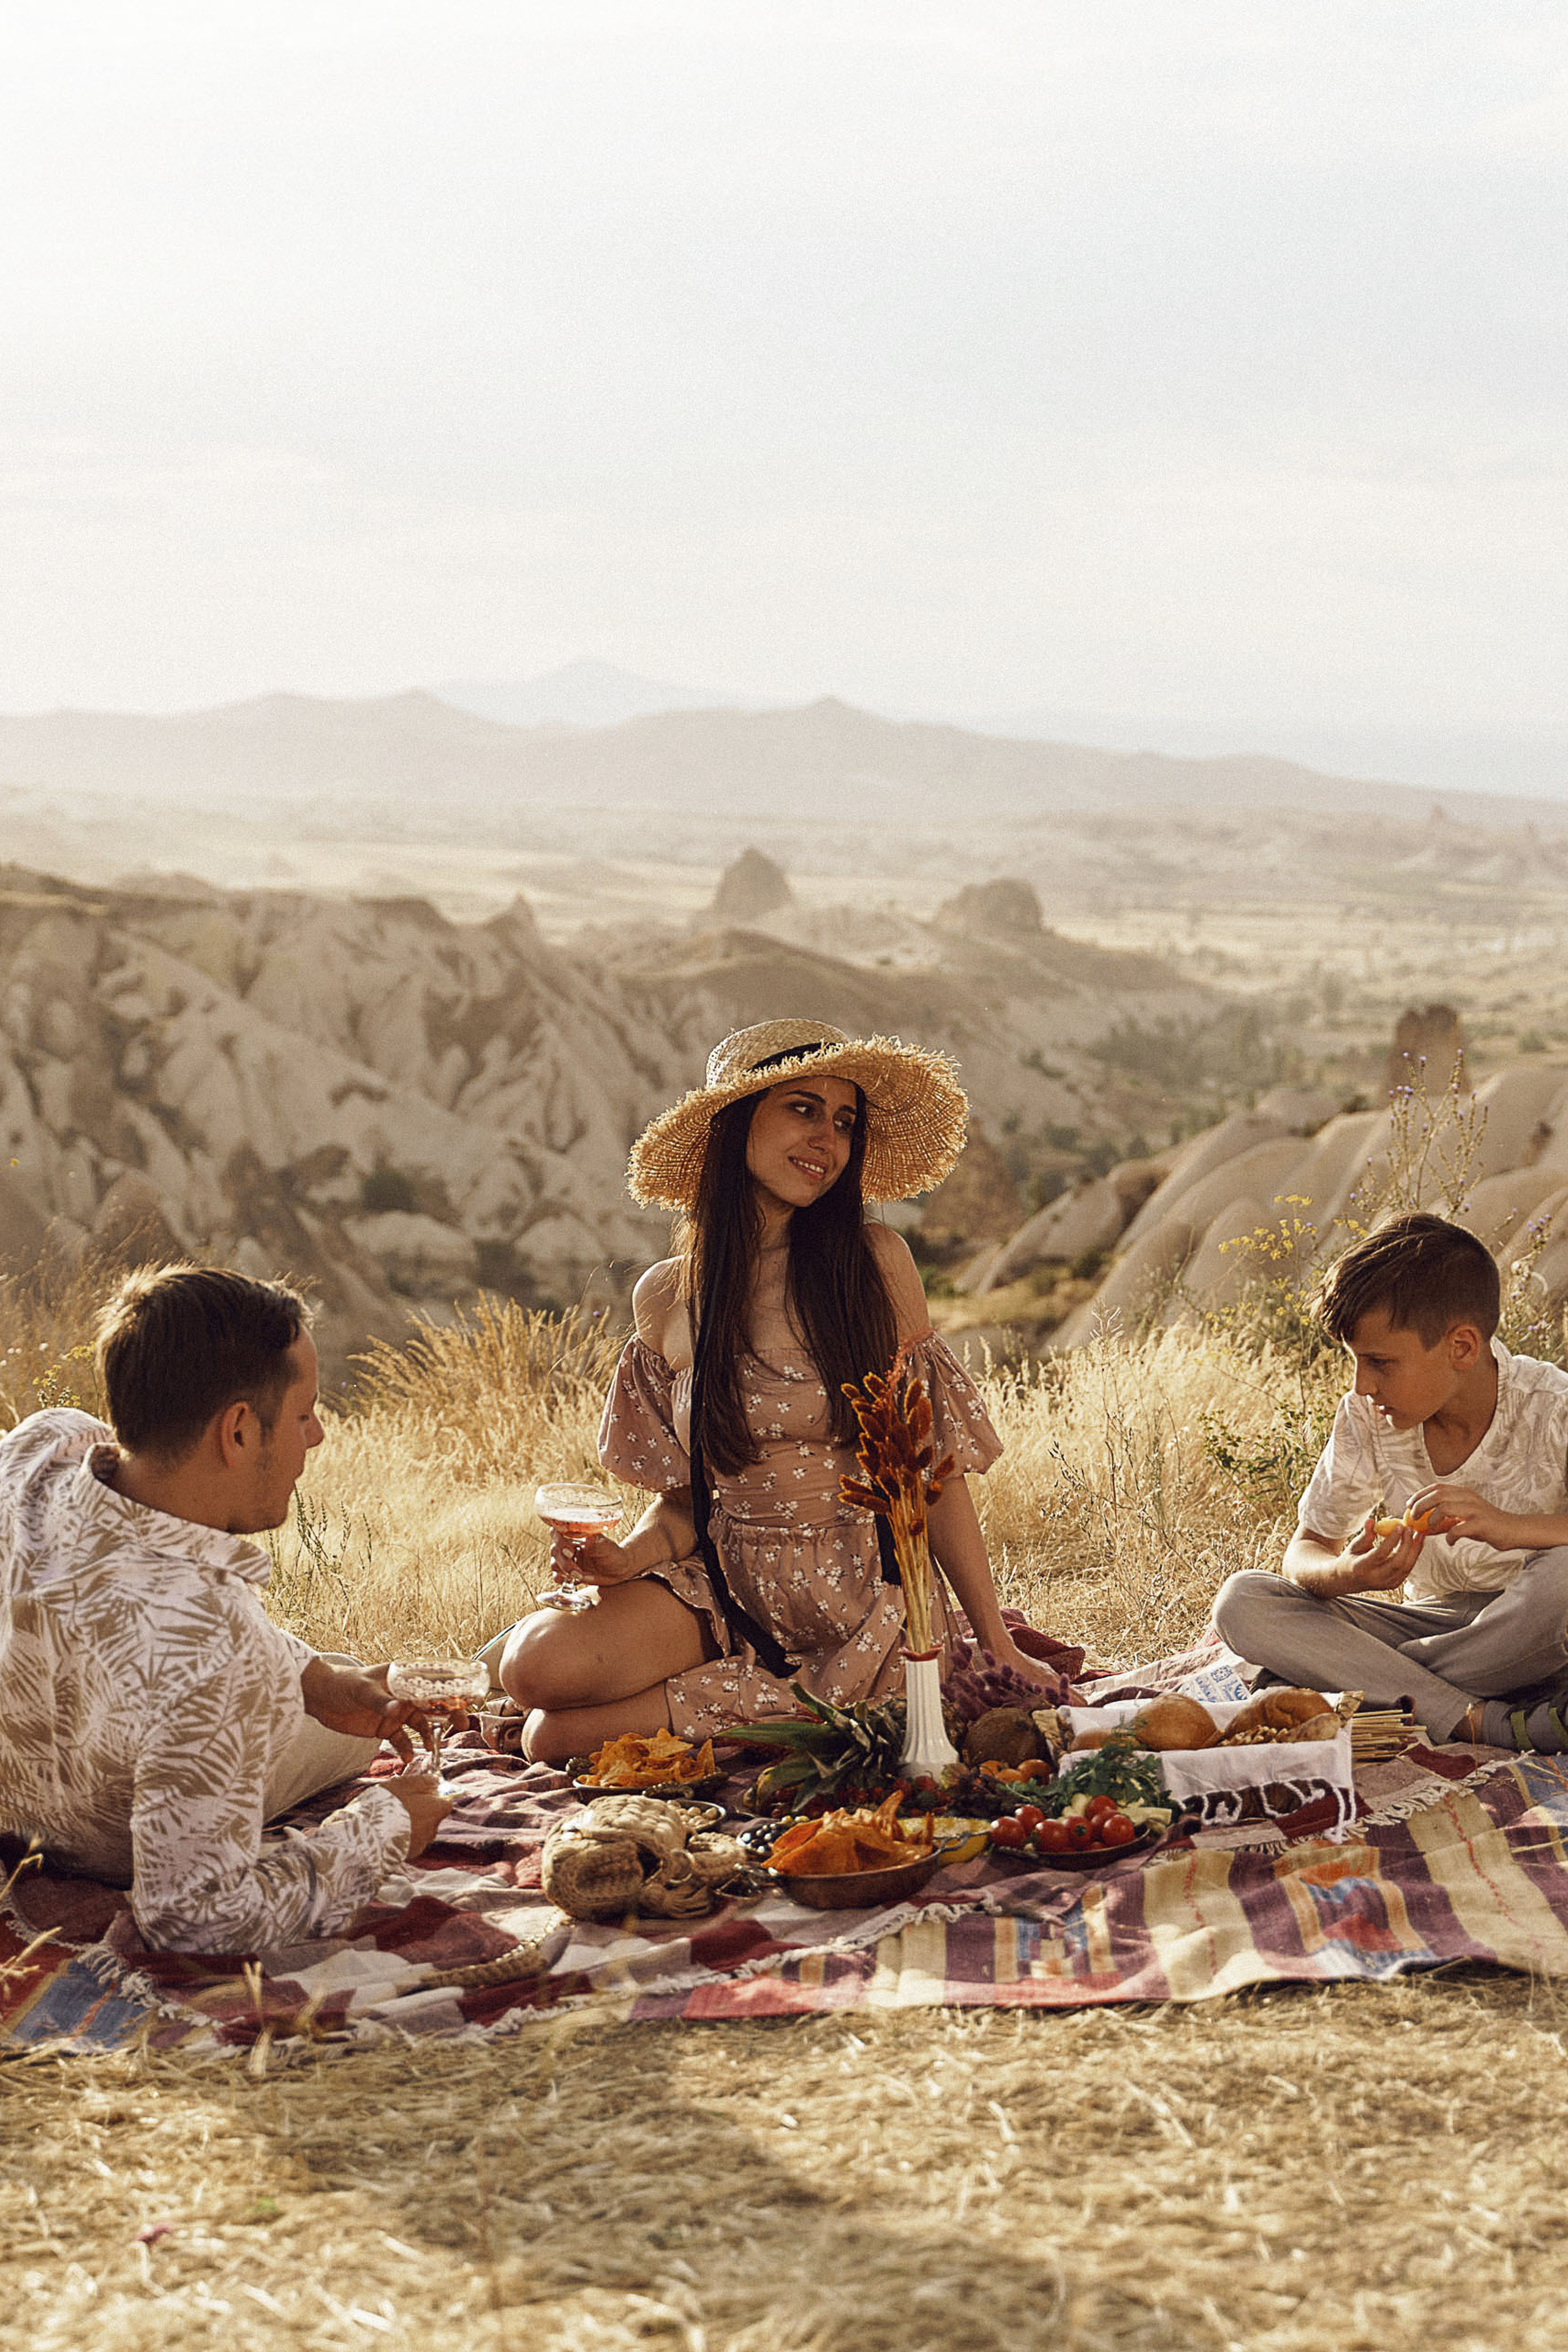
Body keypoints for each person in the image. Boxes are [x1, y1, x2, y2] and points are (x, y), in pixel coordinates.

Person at [497, 1019, 1044, 1761]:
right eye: (801, 1108)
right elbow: (691, 1499)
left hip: (861, 1598)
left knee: (550, 1737)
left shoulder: (874, 1263)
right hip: (725, 1589)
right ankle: (753, 1712)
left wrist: (996, 1642)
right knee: (534, 1669)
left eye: (844, 1121)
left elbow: (929, 1477)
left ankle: (769, 1720)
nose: (828, 1139)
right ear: (733, 1126)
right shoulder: (667, 1296)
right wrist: (628, 1559)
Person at [0, 1264, 452, 1953]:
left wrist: (311, 1680)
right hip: (104, 1839)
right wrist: (383, 1829)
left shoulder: (44, 1446)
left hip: (17, 1792)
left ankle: (322, 1678)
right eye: (303, 1415)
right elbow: (197, 1917)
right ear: (238, 1431)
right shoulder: (219, 1651)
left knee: (348, 1684)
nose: (318, 1436)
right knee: (365, 1724)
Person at [1213, 1211, 1568, 1751]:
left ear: (1463, 1347)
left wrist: (1509, 1526)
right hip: (1438, 1628)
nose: (1362, 1384)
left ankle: (1356, 1681)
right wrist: (1345, 1573)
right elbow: (1306, 1550)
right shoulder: (1365, 1416)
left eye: (1380, 1362)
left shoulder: (1555, 1406)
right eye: (1357, 1362)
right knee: (1242, 1602)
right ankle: (1478, 1720)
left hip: (1536, 1627)